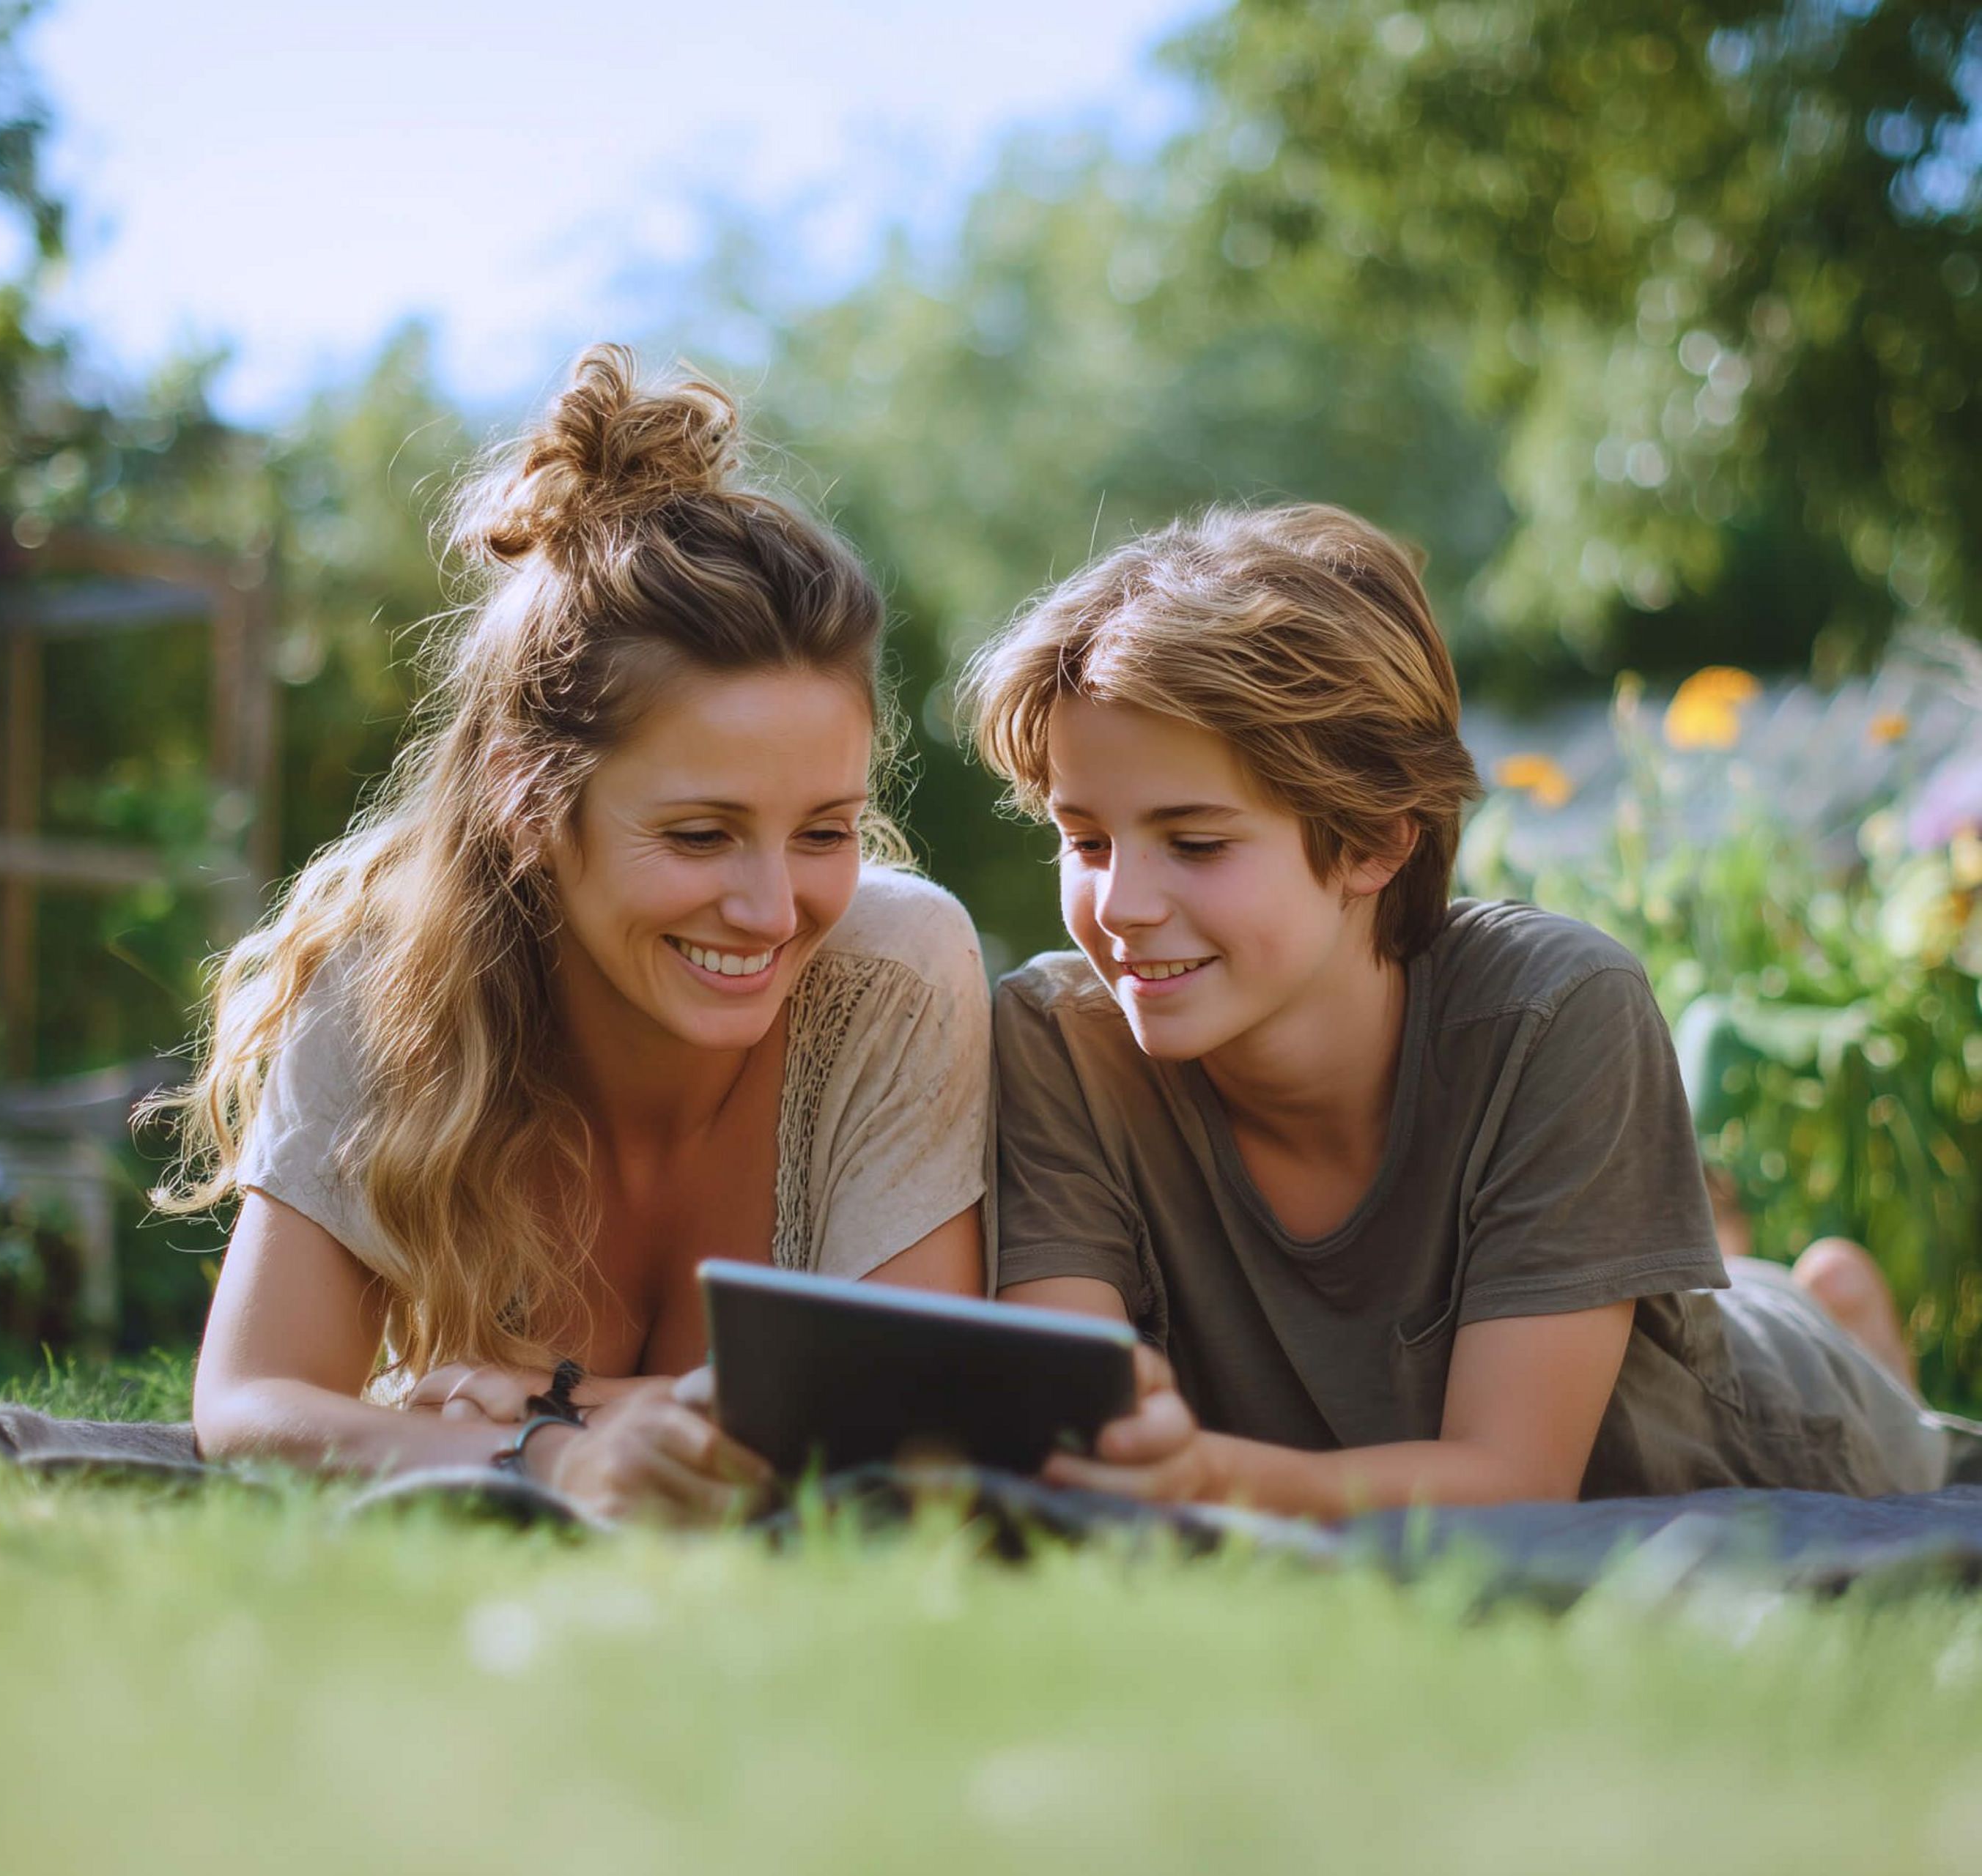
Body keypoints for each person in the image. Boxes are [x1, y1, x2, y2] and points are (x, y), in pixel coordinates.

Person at [963, 502, 1975, 1516]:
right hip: (1422, 1428)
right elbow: (1078, 1418)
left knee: (1852, 1396)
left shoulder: (1557, 1009)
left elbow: (1515, 1482)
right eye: (1087, 841)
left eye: (1196, 843)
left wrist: (1207, 1476)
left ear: (1375, 842)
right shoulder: (1064, 1041)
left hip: (1776, 1422)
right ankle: (1801, 1290)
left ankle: (1842, 1323)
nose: (1124, 905)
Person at [155, 346, 988, 1522]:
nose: (771, 907)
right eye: (700, 835)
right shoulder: (394, 977)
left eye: (823, 830)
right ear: (527, 799)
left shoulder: (896, 971)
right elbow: (250, 1404)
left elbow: (915, 1423)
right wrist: (548, 1461)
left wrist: (552, 1399)